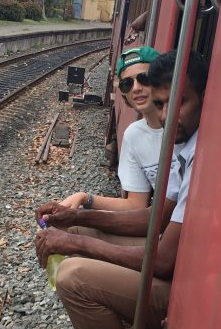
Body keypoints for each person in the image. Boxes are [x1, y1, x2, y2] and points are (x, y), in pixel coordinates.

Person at [34, 50, 209, 329]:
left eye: (179, 102)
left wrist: (73, 240)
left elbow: (163, 262)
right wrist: (76, 219)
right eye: (161, 104)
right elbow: (150, 219)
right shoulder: (186, 144)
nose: (166, 116)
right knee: (85, 243)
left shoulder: (201, 153)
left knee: (74, 276)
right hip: (182, 273)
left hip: (190, 294)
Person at [60, 45, 163, 212]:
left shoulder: (183, 128)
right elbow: (135, 205)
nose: (136, 88)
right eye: (127, 83)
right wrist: (84, 198)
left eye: (144, 78)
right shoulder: (134, 135)